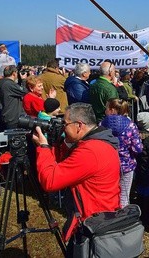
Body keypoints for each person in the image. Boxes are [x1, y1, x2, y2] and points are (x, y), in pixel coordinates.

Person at [31, 102, 121, 252]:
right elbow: (64, 164)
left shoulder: (90, 151)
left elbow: (50, 180)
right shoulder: (97, 141)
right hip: (102, 215)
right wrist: (59, 142)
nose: (63, 127)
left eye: (65, 124)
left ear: (79, 125)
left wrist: (43, 147)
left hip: (92, 225)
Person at [100, 99, 143, 207]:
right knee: (124, 196)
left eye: (106, 108)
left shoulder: (101, 124)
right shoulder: (130, 125)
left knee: (108, 194)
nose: (105, 110)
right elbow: (138, 148)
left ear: (112, 110)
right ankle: (123, 219)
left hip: (107, 164)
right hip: (126, 165)